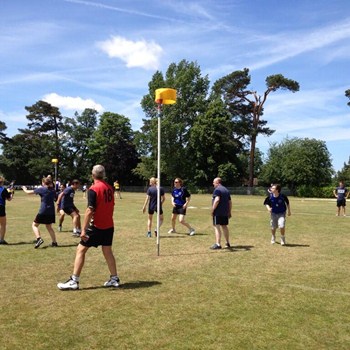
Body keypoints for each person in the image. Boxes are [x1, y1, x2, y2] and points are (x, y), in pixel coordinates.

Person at [57, 164, 120, 290]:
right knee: (107, 251)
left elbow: (90, 210)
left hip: (97, 226)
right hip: (109, 225)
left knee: (80, 250)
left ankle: (74, 280)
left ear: (92, 175)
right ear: (104, 174)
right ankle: (114, 278)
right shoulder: (110, 188)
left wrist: (83, 229)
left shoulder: (94, 189)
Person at [22, 177, 58, 248]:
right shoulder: (53, 190)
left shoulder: (42, 189)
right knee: (49, 227)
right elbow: (55, 199)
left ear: (43, 183)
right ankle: (54, 242)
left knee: (34, 225)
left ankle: (39, 239)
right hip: (51, 211)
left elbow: (28, 193)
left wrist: (24, 188)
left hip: (43, 210)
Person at [210, 177, 232, 250]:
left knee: (217, 226)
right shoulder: (226, 190)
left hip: (218, 212)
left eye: (214, 182)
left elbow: (217, 200)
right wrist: (229, 211)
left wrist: (213, 210)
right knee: (224, 226)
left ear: (218, 182)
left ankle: (218, 244)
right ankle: (227, 242)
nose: (213, 183)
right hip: (225, 212)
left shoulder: (217, 190)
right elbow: (230, 202)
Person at [0, 176, 14, 244]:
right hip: (1, 207)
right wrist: (11, 193)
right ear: (2, 182)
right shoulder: (3, 189)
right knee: (3, 224)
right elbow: (9, 199)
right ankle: (1, 240)